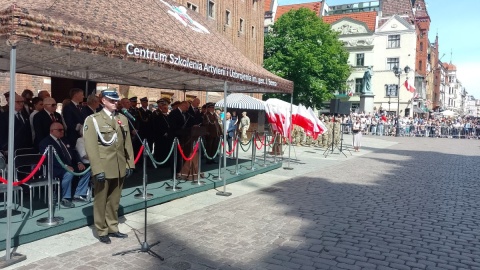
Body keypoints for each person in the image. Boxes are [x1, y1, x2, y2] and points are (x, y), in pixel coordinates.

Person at [83, 89, 135, 244]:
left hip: (119, 165)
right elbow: (91, 147)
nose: (115, 103)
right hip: (103, 166)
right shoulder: (93, 120)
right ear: (103, 101)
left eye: (116, 101)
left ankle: (113, 227)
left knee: (114, 199)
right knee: (101, 200)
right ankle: (101, 230)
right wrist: (97, 169)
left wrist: (129, 163)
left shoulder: (122, 119)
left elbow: (127, 143)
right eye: (112, 101)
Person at [39, 122, 90, 208]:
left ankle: (78, 194)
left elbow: (74, 152)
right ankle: (65, 198)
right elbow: (49, 159)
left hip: (70, 164)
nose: (62, 132)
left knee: (86, 170)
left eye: (63, 130)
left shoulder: (65, 140)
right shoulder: (45, 142)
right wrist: (64, 166)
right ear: (52, 131)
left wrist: (79, 162)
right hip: (55, 168)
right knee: (68, 173)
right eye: (59, 130)